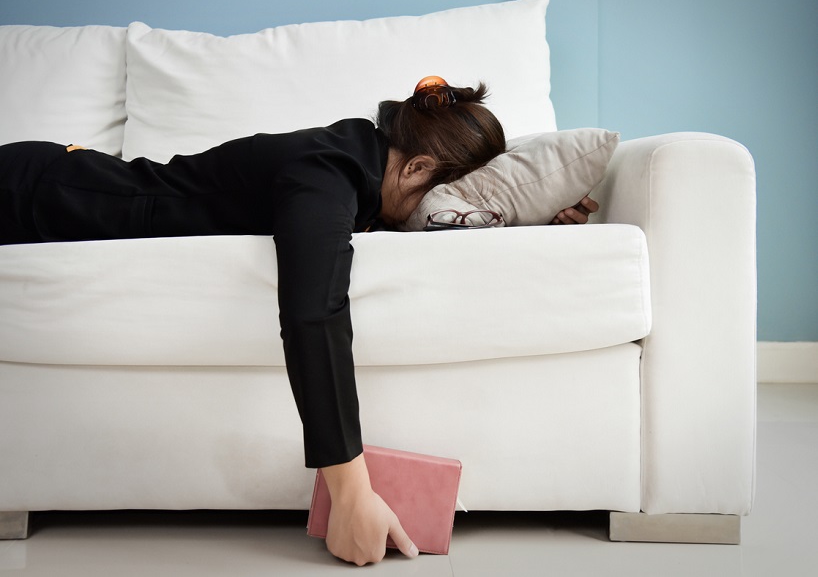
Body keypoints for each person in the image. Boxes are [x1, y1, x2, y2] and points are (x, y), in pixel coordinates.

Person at [0, 77, 597, 565]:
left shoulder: (358, 161)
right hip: (34, 196)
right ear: (415, 168)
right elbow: (314, 313)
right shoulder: (324, 173)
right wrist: (352, 493)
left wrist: (534, 231)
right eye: (440, 200)